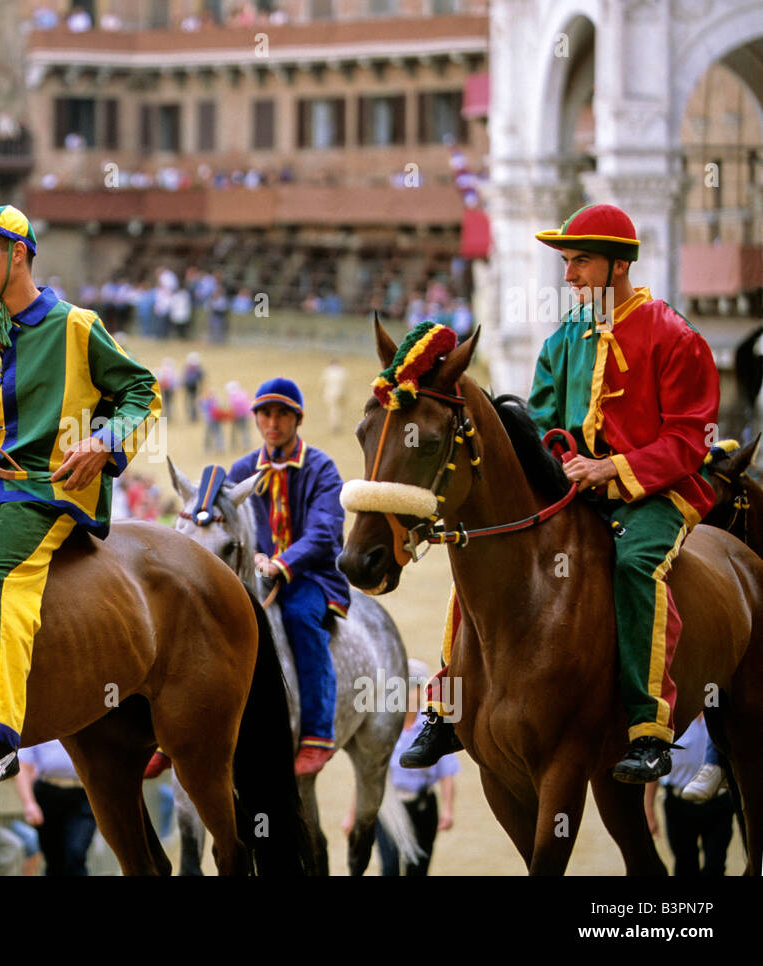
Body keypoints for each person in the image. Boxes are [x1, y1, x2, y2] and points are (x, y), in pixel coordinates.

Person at [401, 203, 719, 784]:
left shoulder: (676, 337)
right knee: (483, 551)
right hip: (578, 487)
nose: (568, 276)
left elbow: (688, 440)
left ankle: (650, 729)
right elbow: (544, 420)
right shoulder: (564, 337)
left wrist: (610, 468)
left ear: (618, 266)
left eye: (580, 262)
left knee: (635, 563)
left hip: (658, 493)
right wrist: (551, 459)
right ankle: (448, 705)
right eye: (566, 262)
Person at [0, 204, 161, 791]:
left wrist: (105, 442)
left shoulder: (78, 325)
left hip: (46, 492)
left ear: (18, 253)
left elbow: (142, 391)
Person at [155, 378, 349, 777]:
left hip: (311, 577)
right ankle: (168, 735)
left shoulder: (321, 467)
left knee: (299, 619)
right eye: (264, 414)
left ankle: (316, 733)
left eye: (282, 414)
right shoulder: (242, 469)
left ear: (298, 419)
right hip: (251, 576)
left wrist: (282, 562)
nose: (272, 422)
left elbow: (324, 530)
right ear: (256, 418)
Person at [345, 659, 457, 875]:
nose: (408, 696)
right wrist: (352, 815)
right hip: (390, 805)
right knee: (390, 868)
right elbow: (367, 776)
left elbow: (447, 772)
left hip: (423, 804)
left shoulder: (433, 728)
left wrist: (448, 809)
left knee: (418, 868)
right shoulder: (382, 728)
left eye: (414, 688)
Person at [644, 714, 733, 876]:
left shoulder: (721, 713)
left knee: (715, 867)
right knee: (685, 866)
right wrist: (649, 811)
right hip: (679, 806)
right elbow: (654, 766)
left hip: (718, 804)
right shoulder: (672, 715)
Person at [16, 740, 98, 875]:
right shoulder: (40, 724)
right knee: (54, 859)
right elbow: (23, 765)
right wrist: (29, 804)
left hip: (84, 795)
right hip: (47, 794)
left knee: (75, 853)